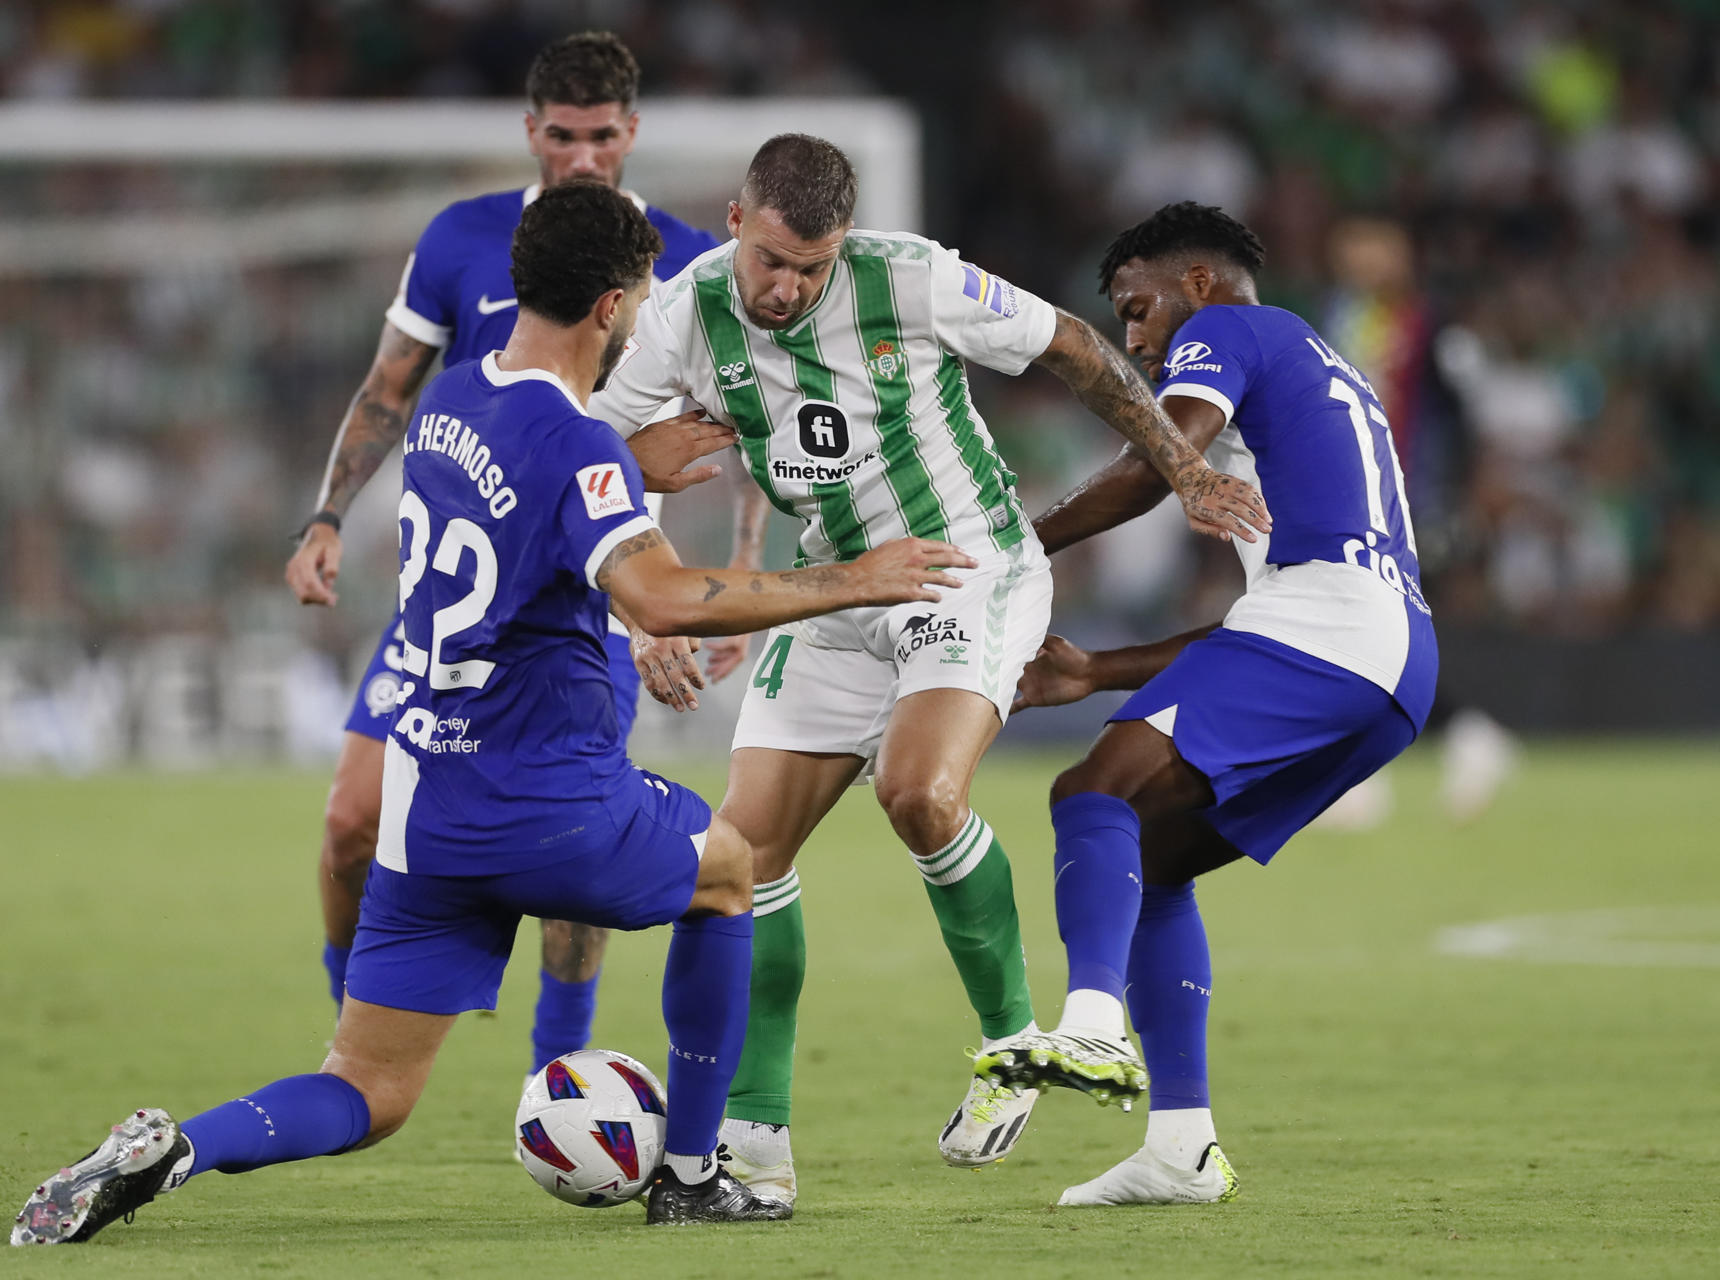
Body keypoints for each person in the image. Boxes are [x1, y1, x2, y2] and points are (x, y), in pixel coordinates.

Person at [11, 182, 979, 1244]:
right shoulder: (576, 442)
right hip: (549, 799)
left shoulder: (454, 397)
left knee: (368, 1089)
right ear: (614, 308)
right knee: (730, 868)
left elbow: (527, 505)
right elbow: (656, 596)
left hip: (430, 813)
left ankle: (173, 1146)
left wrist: (624, 466)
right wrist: (853, 576)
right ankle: (696, 1171)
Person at [588, 137, 1268, 1201]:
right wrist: (646, 605)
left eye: (812, 266)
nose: (788, 286)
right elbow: (594, 455)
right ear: (734, 221)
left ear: (843, 245)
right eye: (772, 259)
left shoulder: (911, 275)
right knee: (739, 852)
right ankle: (759, 1144)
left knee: (918, 788)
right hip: (837, 585)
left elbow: (1077, 346)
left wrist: (1183, 468)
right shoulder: (685, 310)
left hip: (966, 567)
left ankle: (1014, 1047)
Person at [281, 32, 765, 1078]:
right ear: (531, 132)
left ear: (631, 134)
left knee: (569, 830)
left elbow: (689, 444)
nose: (584, 156)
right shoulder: (464, 239)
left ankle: (559, 1058)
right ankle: (353, 1010)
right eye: (563, 136)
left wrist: (646, 614)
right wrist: (325, 517)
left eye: (602, 137)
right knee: (349, 820)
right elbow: (392, 388)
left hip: (584, 587)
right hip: (459, 597)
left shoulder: (678, 263)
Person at [976, 201, 1437, 1207]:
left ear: (1194, 282)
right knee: (1150, 852)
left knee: (1090, 789)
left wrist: (1007, 547)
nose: (1133, 338)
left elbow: (1160, 463)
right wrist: (1097, 670)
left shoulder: (1228, 328)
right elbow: (1268, 616)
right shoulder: (1316, 362)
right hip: (1385, 660)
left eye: (1136, 308)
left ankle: (1092, 1018)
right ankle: (1181, 1144)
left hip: (1333, 633)